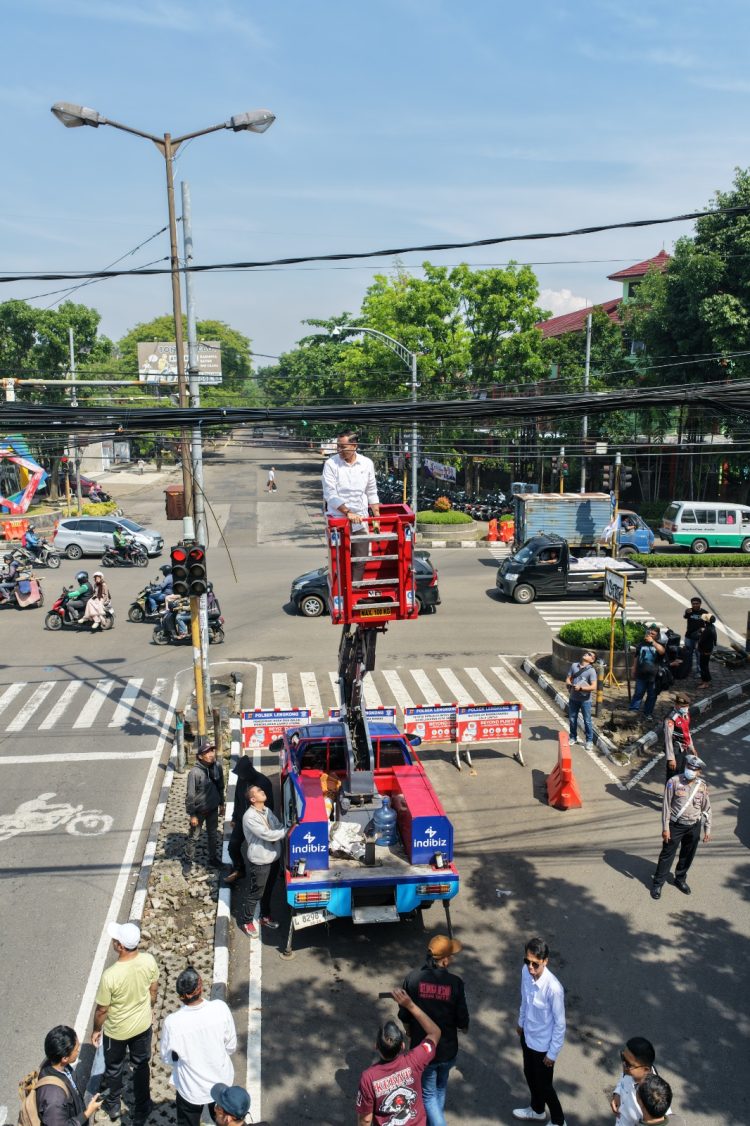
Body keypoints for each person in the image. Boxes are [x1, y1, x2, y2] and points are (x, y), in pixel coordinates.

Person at [92, 921, 159, 1126]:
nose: (113, 942)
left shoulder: (110, 975)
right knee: (140, 1066)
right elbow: (153, 991)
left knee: (114, 1068)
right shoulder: (148, 961)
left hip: (117, 1031)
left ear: (120, 946)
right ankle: (142, 1106)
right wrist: (147, 1008)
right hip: (142, 1026)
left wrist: (96, 1029)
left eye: (115, 940)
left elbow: (102, 1010)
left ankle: (112, 1106)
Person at [399, 935, 469, 1126]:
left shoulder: (413, 979)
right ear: (445, 960)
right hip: (447, 1049)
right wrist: (464, 1027)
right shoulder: (455, 983)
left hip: (424, 1050)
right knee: (438, 1090)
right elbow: (462, 1017)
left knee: (429, 1094)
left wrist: (409, 1031)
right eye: (451, 956)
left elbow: (404, 1013)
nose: (452, 959)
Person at [160, 967, 237, 1126]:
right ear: (200, 988)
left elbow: (167, 1058)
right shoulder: (220, 1008)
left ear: (181, 995)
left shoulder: (172, 1023)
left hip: (190, 1089)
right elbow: (231, 1046)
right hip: (221, 1083)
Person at [356, 987, 441, 1126]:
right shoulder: (416, 1059)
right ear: (402, 1046)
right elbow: (435, 1033)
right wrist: (410, 1005)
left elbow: (365, 1119)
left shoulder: (368, 1078)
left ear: (376, 1046)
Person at [513, 937, 566, 1125]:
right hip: (527, 1036)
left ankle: (559, 1120)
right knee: (529, 1074)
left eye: (535, 963)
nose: (530, 967)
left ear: (545, 961)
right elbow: (524, 1000)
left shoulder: (554, 989)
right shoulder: (525, 973)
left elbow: (560, 1025)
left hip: (543, 1046)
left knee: (545, 1085)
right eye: (527, 961)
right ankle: (537, 1110)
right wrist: (521, 1024)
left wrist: (552, 1053)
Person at [651, 754, 711, 899]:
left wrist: (707, 829)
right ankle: (658, 883)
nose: (690, 770)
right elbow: (666, 806)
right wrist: (665, 828)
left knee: (687, 854)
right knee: (667, 854)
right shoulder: (674, 782)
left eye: (694, 768)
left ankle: (680, 879)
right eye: (688, 767)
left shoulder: (702, 787)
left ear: (699, 772)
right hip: (675, 825)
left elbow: (707, 809)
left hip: (694, 826)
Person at [322, 431, 381, 578]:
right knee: (340, 559)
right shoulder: (331, 464)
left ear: (354, 446)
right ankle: (342, 591)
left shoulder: (367, 463)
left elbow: (372, 491)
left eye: (343, 447)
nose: (339, 450)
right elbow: (330, 494)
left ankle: (355, 591)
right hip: (339, 520)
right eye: (338, 447)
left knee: (360, 559)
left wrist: (377, 518)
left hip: (361, 520)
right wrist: (348, 512)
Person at [238, 784, 285, 937]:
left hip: (273, 858)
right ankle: (246, 921)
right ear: (253, 799)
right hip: (260, 862)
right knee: (256, 894)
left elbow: (277, 825)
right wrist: (288, 831)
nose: (262, 791)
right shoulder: (249, 817)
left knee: (268, 890)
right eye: (259, 791)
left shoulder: (267, 811)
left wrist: (282, 829)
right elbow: (267, 834)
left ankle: (265, 916)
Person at [36, 1025, 103, 1126]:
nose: (78, 1051)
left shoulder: (54, 1064)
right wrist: (88, 1112)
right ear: (64, 1058)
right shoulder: (54, 1097)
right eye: (76, 1049)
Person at [223, 757, 274, 887]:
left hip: (258, 823)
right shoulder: (242, 780)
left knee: (261, 851)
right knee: (233, 847)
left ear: (249, 771)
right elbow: (237, 799)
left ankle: (267, 874)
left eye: (241, 774)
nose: (240, 776)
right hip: (241, 820)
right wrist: (234, 817)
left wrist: (267, 824)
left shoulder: (263, 782)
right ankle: (240, 869)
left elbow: (270, 806)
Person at [185, 739, 225, 871]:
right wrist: (192, 815)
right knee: (194, 837)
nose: (211, 754)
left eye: (212, 750)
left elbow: (221, 786)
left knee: (213, 835)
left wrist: (222, 804)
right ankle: (188, 861)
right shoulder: (194, 773)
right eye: (207, 752)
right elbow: (190, 795)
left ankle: (213, 859)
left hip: (213, 809)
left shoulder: (217, 766)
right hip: (199, 812)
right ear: (200, 757)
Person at [610, 1037, 659, 1126]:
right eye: (622, 1057)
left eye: (628, 1064)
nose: (623, 1064)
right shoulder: (629, 1072)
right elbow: (623, 1078)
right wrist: (617, 1093)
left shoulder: (654, 1099)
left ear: (646, 1070)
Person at [628, 628, 666, 720]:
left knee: (652, 695)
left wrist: (653, 642)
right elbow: (636, 657)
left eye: (653, 634)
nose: (650, 635)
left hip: (654, 676)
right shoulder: (641, 644)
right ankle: (633, 710)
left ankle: (647, 713)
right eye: (649, 633)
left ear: (657, 636)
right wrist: (633, 669)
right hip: (641, 675)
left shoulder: (659, 644)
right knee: (638, 693)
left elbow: (662, 651)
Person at [565, 650, 597, 751]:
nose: (586, 654)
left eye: (589, 654)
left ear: (592, 660)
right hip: (573, 698)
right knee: (572, 718)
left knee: (587, 721)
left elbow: (593, 687)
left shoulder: (591, 671)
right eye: (586, 653)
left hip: (585, 701)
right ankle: (573, 737)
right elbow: (568, 678)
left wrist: (581, 688)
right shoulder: (574, 666)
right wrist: (570, 684)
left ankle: (589, 741)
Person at [663, 694, 695, 781]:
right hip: (675, 749)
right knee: (672, 776)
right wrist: (671, 759)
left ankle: (677, 793)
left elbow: (686, 731)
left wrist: (691, 747)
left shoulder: (685, 714)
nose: (685, 708)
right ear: (676, 705)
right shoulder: (670, 719)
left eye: (687, 706)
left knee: (681, 773)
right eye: (683, 706)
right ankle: (669, 794)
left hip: (683, 748)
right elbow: (668, 739)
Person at [682, 597, 705, 673]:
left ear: (700, 604)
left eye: (697, 603)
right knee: (688, 654)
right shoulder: (689, 611)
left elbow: (709, 624)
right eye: (693, 604)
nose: (695, 605)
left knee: (698, 655)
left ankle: (699, 671)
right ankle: (688, 669)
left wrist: (703, 629)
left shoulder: (704, 613)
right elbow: (685, 617)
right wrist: (687, 612)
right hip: (688, 636)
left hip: (699, 638)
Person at [697, 613, 718, 690]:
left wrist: (700, 632)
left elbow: (701, 640)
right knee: (704, 665)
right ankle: (704, 680)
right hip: (709, 649)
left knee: (703, 666)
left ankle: (705, 683)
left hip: (705, 650)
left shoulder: (707, 630)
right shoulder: (712, 627)